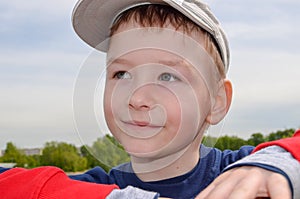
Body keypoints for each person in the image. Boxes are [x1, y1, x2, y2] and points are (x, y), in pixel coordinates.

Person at [0, 0, 299, 198]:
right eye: (121, 74)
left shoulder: (245, 174)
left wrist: (279, 161)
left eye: (167, 77)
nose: (137, 97)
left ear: (217, 101)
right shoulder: (97, 186)